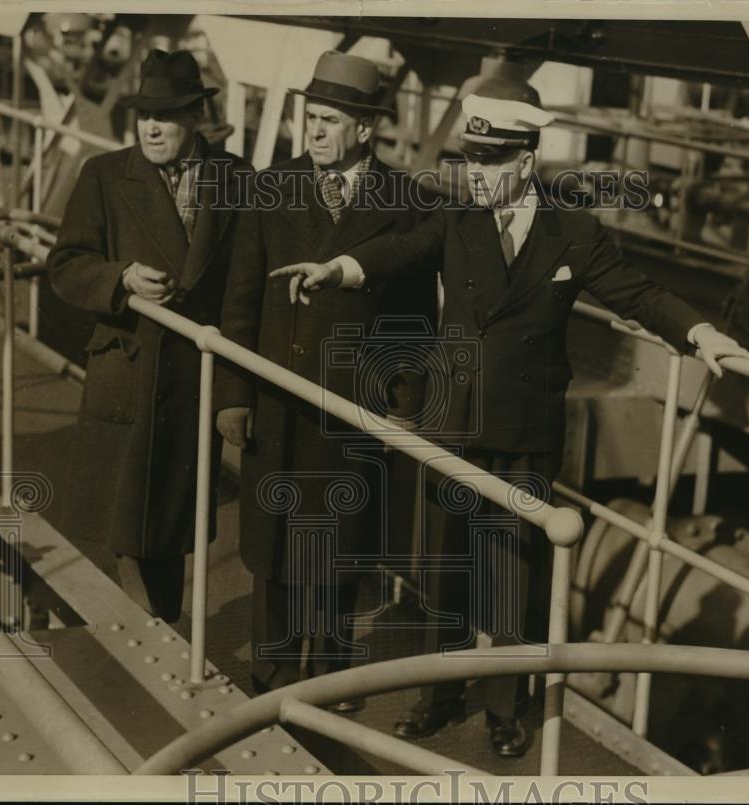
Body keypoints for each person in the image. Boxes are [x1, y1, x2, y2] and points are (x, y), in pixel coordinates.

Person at [269, 73, 749, 756]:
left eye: (491, 162)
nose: (477, 173)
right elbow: (397, 249)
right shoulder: (456, 218)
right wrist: (341, 267)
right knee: (445, 566)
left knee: (513, 569)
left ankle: (505, 707)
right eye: (471, 159)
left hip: (526, 431)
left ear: (525, 161)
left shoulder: (573, 233)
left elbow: (638, 294)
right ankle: (437, 694)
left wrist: (701, 333)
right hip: (454, 421)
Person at [214, 51, 437, 707]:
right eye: (310, 117)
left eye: (329, 120)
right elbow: (240, 299)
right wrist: (234, 396)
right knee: (274, 545)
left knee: (341, 545)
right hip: (277, 397)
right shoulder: (269, 187)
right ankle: (275, 670)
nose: (313, 131)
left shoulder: (406, 202)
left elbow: (415, 320)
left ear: (366, 128)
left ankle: (333, 675)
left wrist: (403, 400)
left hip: (352, 402)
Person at [48, 49, 255, 623]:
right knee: (127, 523)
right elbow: (66, 264)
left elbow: (248, 283)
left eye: (165, 116)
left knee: (169, 527)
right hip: (129, 370)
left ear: (195, 119)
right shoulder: (106, 176)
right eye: (144, 115)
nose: (151, 127)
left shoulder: (237, 179)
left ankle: (159, 626)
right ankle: (154, 629)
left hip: (194, 378)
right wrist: (120, 279)